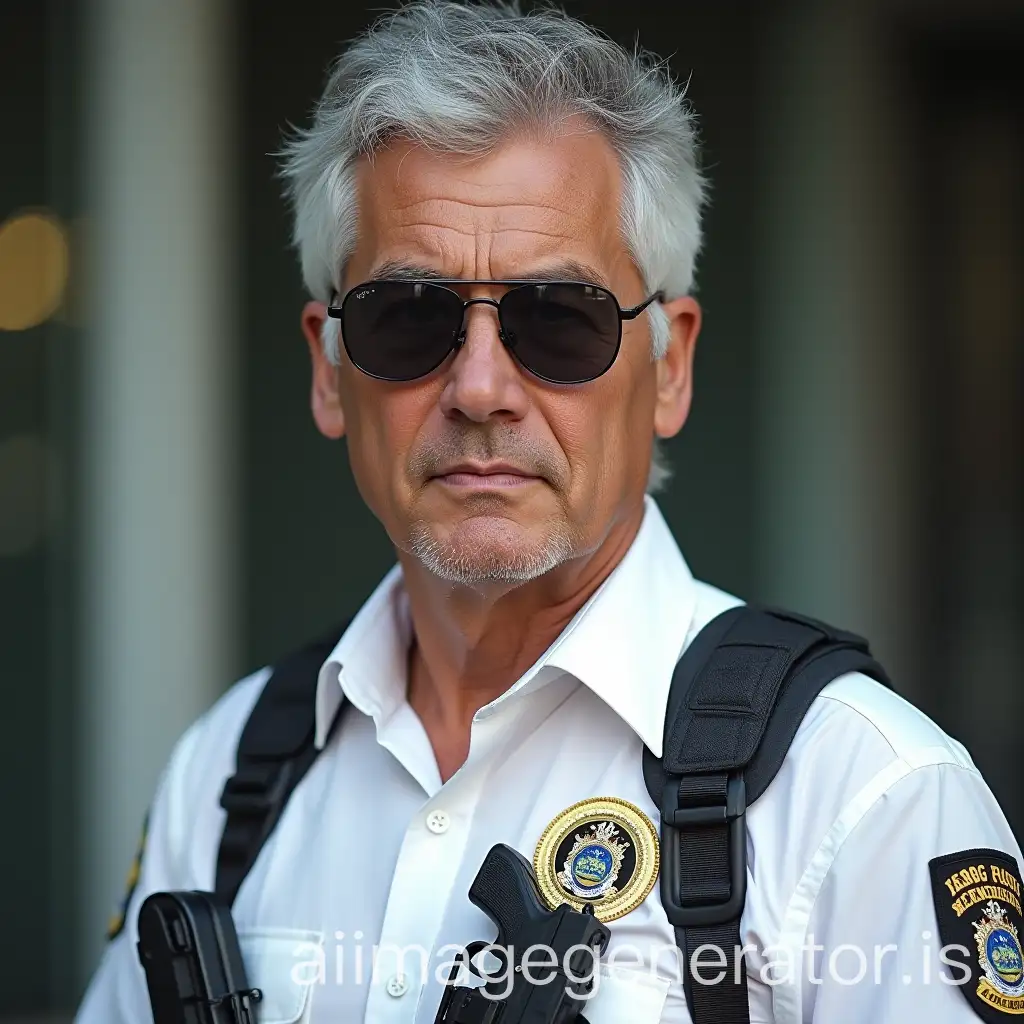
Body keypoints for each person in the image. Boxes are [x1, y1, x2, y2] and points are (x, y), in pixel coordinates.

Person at [75, 2, 1022, 1023]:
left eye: (558, 320)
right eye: (408, 318)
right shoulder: (225, 779)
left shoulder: (861, 797)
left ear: (672, 366)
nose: (480, 386)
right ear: (326, 367)